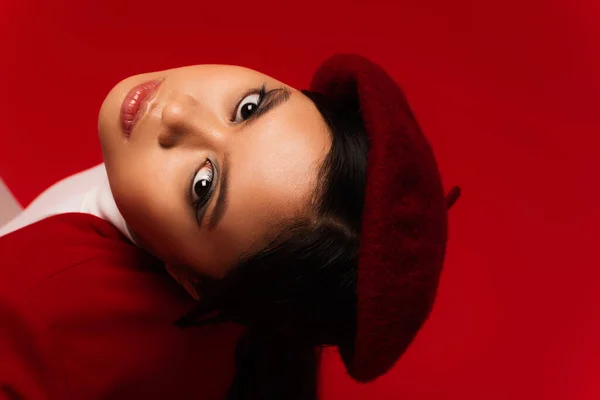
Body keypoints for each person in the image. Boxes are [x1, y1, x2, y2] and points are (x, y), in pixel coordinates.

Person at [0, 54, 460, 399]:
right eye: (249, 108)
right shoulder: (251, 305)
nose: (178, 114)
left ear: (192, 281)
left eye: (202, 185)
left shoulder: (33, 311)